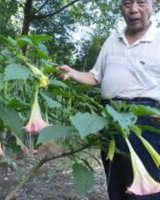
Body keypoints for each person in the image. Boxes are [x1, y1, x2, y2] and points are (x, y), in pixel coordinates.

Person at [58, 0, 160, 200]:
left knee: (148, 189)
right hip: (109, 118)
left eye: (140, 2)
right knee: (116, 183)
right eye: (127, 3)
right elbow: (95, 76)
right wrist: (72, 72)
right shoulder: (112, 40)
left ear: (153, 5)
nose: (133, 9)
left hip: (146, 119)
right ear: (121, 8)